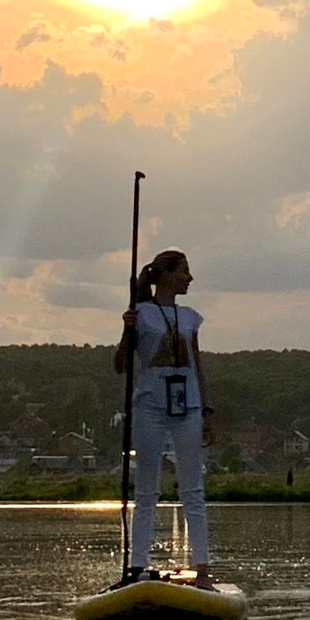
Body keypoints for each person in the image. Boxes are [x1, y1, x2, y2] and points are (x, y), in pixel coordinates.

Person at [115, 246, 221, 584]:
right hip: (150, 406)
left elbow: (197, 366)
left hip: (186, 405)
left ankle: (202, 567)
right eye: (184, 271)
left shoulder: (189, 318)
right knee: (146, 490)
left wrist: (205, 409)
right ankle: (138, 567)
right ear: (165, 274)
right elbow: (121, 365)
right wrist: (126, 330)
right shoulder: (141, 313)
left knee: (193, 488)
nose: (189, 278)